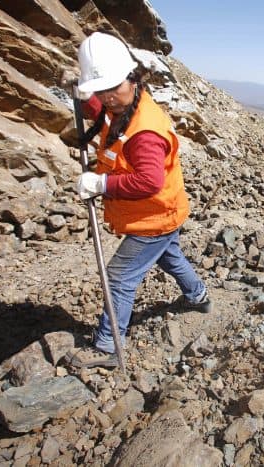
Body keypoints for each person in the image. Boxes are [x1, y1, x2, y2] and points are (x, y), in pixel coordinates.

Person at [64, 32, 211, 369]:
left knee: (118, 277)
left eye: (112, 87)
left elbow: (148, 180)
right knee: (169, 256)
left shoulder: (145, 131)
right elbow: (105, 111)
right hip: (163, 212)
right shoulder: (124, 103)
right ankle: (199, 296)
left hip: (154, 215)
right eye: (101, 89)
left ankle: (107, 347)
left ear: (132, 77)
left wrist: (101, 183)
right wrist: (86, 96)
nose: (108, 97)